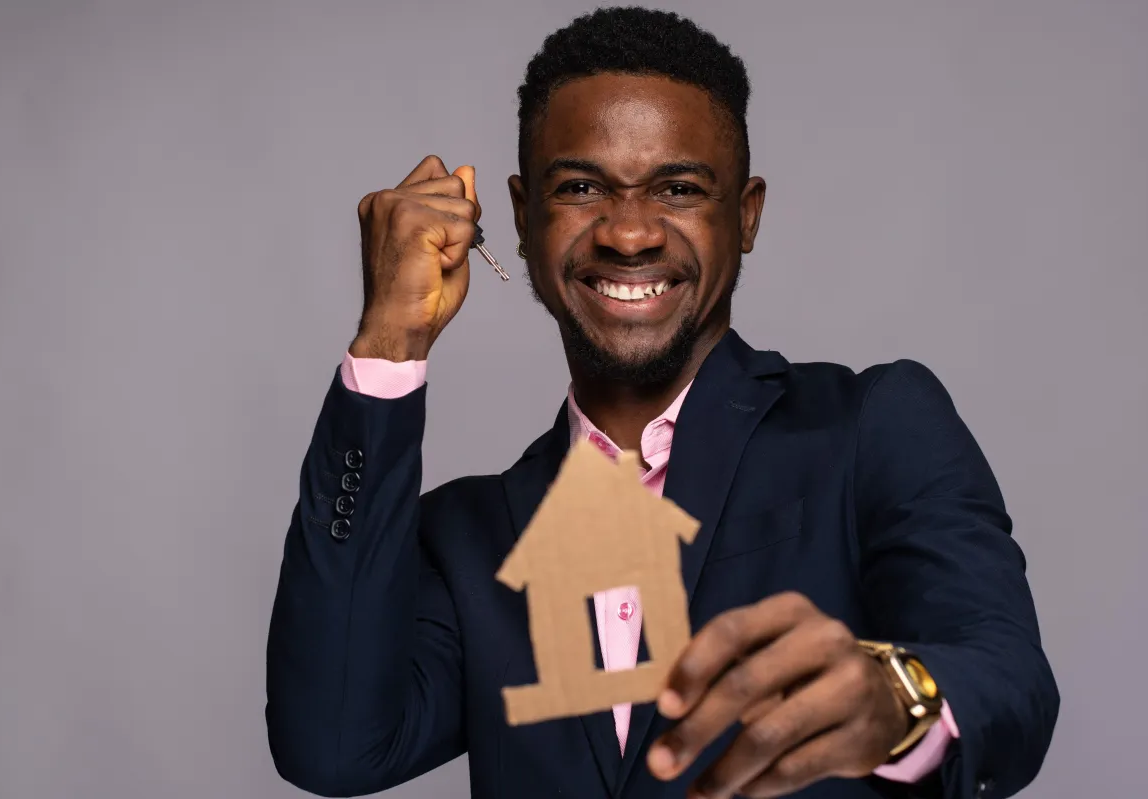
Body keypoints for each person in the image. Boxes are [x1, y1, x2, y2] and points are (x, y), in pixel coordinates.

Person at [265, 8, 1058, 799]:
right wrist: (390, 341)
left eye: (678, 189)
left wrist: (895, 695)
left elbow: (1006, 675)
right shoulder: (470, 538)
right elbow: (331, 745)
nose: (630, 233)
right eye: (580, 187)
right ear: (522, 216)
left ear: (745, 215)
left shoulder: (868, 427)